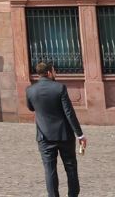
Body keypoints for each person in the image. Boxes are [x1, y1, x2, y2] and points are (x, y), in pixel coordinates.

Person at [26, 62, 86, 197]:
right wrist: (80, 135)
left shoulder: (30, 90)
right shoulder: (60, 88)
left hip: (44, 136)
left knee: (49, 170)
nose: (55, 73)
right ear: (49, 73)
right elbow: (69, 113)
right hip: (64, 135)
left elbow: (31, 107)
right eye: (54, 71)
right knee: (71, 167)